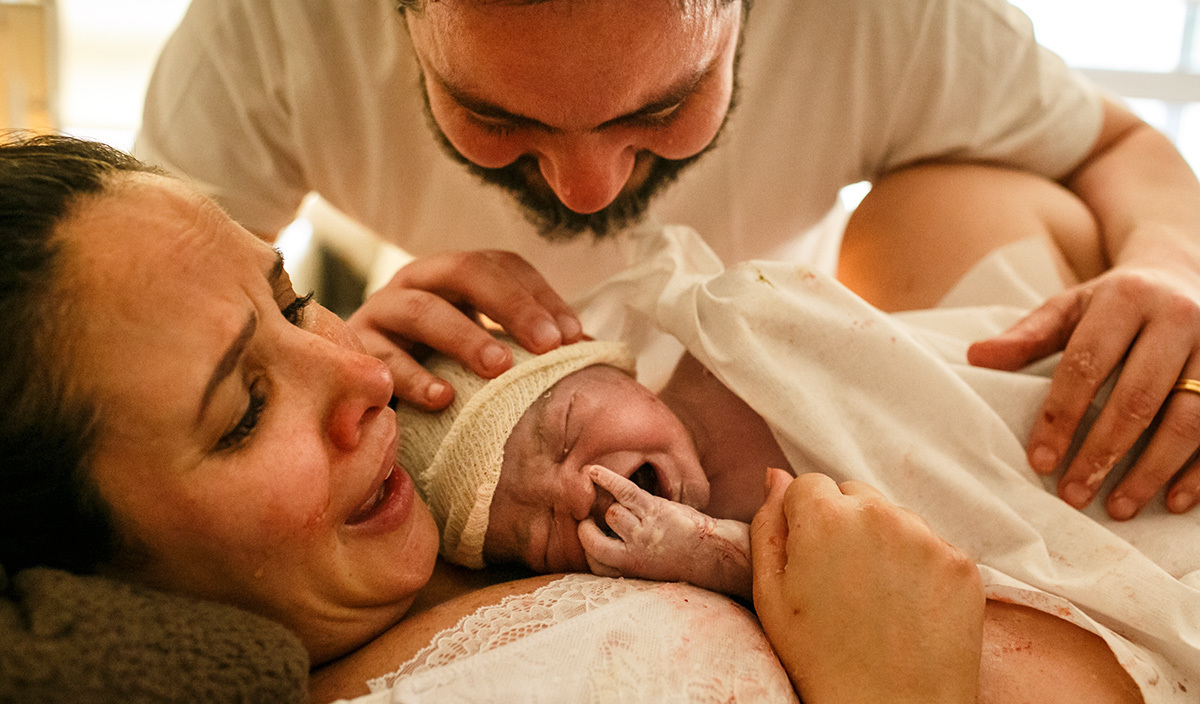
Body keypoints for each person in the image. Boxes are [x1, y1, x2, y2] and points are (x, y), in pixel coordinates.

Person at [135, 0, 1200, 523]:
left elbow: (1117, 147)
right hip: (491, 382)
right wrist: (335, 354)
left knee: (986, 201)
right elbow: (144, 318)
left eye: (662, 105)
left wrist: (1176, 266)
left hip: (797, 358)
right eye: (492, 114)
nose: (585, 189)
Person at [0, 132, 1149, 703]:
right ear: (86, 576)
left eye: (297, 295)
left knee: (975, 196)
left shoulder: (418, 470)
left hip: (1090, 488)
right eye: (246, 408)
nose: (362, 377)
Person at [393, 166, 1200, 700]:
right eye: (538, 535)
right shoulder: (657, 565)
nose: (576, 491)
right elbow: (825, 576)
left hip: (1032, 442)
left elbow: (898, 379)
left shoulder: (730, 342)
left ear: (617, 364)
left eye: (566, 428)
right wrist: (711, 554)